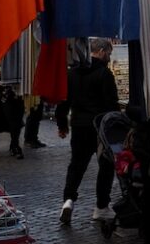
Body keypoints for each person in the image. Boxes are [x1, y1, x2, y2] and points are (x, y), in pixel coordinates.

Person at [56, 38, 119, 225]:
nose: (109, 57)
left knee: (76, 166)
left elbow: (63, 102)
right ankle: (101, 207)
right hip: (100, 129)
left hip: (79, 126)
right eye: (108, 53)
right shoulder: (104, 74)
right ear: (100, 51)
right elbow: (112, 105)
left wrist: (62, 125)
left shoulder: (72, 74)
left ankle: (68, 201)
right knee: (106, 167)